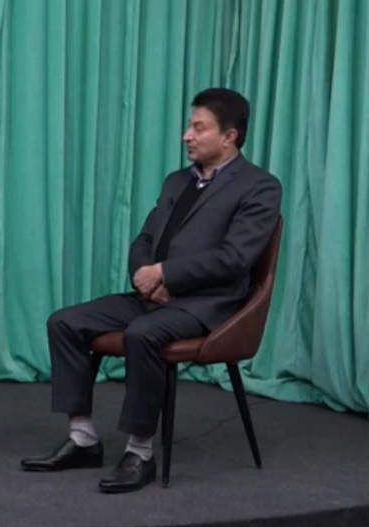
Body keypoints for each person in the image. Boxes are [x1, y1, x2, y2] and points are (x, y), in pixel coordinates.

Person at [20, 88, 281, 493]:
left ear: (229, 136)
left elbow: (234, 258)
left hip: (208, 305)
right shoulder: (177, 181)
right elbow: (145, 238)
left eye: (198, 128)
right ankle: (83, 439)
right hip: (154, 297)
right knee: (65, 322)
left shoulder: (260, 186)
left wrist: (166, 274)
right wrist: (145, 274)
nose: (186, 135)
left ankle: (139, 452)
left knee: (143, 334)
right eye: (189, 126)